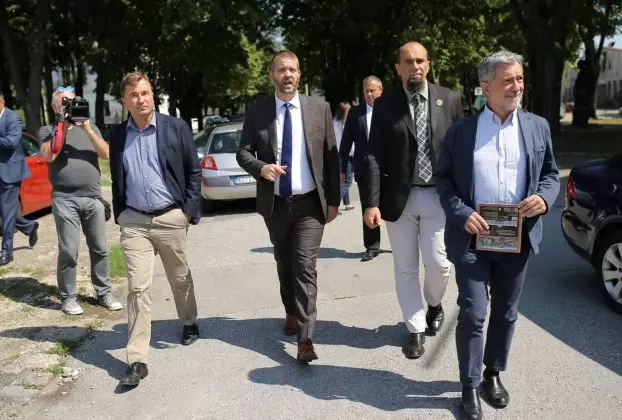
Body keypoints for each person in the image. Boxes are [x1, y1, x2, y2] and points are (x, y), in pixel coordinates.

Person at [435, 51, 560, 419]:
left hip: (516, 236)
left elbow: (551, 174)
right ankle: (469, 385)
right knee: (474, 312)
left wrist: (544, 197)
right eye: (508, 80)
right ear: (485, 87)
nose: (516, 86)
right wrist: (462, 213)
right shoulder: (462, 131)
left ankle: (492, 373)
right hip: (473, 237)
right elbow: (443, 180)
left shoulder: (537, 126)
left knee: (505, 312)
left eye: (520, 79)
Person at [237, 50, 340, 364]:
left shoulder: (319, 109)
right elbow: (243, 153)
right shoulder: (258, 111)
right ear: (272, 75)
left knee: (305, 267)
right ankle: (291, 311)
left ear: (299, 74)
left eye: (292, 69)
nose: (288, 75)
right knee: (284, 263)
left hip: (310, 204)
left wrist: (334, 201)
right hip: (277, 204)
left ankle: (305, 341)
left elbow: (332, 158)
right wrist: (261, 168)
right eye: (282, 70)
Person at [364, 41, 463, 359]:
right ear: (398, 68)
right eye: (408, 61)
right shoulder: (386, 104)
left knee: (439, 263)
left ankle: (434, 303)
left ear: (428, 64)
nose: (415, 66)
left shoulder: (449, 99)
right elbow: (373, 155)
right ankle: (415, 328)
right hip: (399, 200)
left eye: (420, 61)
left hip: (438, 196)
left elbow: (462, 151)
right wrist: (371, 202)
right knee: (405, 268)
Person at [109, 72, 201, 387]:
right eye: (134, 95)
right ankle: (137, 359)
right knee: (137, 288)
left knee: (179, 277)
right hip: (134, 221)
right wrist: (120, 213)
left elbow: (193, 171)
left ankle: (189, 320)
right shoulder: (117, 134)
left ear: (153, 94)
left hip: (170, 216)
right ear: (125, 101)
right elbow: (116, 175)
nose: (141, 99)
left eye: (145, 93)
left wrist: (187, 212)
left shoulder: (175, 127)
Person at [39, 86, 122, 315]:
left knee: (100, 248)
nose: (69, 106)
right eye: (64, 103)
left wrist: (87, 129)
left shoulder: (90, 126)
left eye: (72, 102)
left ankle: (104, 293)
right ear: (55, 107)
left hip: (93, 197)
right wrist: (63, 127)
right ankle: (68, 298)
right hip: (65, 199)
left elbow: (106, 153)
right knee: (69, 251)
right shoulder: (47, 130)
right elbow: (49, 155)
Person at [339, 76, 384, 262]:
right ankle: (372, 246)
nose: (370, 94)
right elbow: (346, 141)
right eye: (366, 91)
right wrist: (342, 167)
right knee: (368, 207)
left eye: (373, 90)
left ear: (381, 90)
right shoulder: (356, 113)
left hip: (388, 168)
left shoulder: (391, 110)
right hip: (365, 169)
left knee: (394, 207)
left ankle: (403, 245)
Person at [0, 91, 39, 266]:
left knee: (7, 212)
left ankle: (6, 252)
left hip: (10, 172)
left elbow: (11, 142)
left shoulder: (13, 118)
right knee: (6, 211)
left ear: (1, 102)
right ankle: (29, 226)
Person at [333, 101, 353, 211]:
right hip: (347, 154)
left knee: (343, 178)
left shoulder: (335, 121)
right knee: (347, 181)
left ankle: (348, 203)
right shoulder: (345, 123)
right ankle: (333, 204)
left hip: (337, 153)